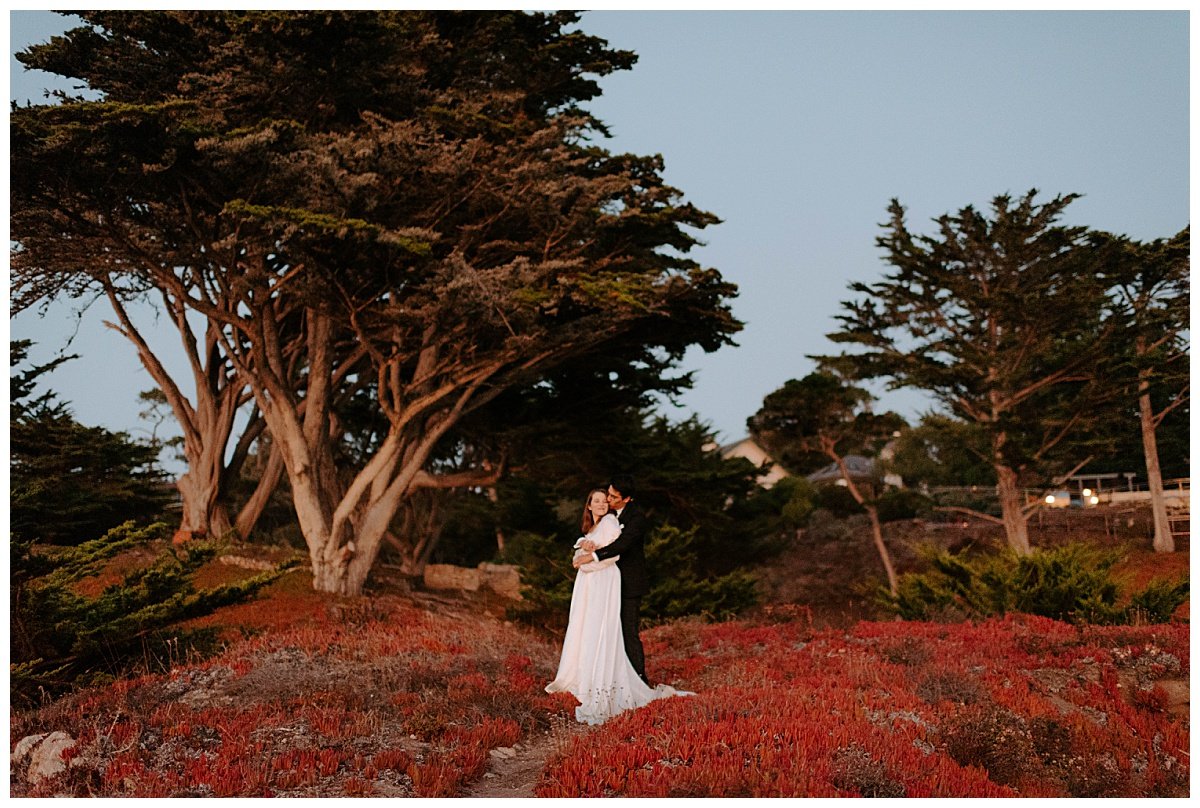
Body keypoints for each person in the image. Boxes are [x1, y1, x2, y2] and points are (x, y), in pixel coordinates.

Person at [545, 487, 684, 724]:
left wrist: (586, 561)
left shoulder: (610, 523)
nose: (601, 504)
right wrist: (582, 553)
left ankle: (601, 681)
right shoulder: (593, 527)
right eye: (596, 501)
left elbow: (612, 556)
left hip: (602, 583)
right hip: (589, 585)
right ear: (588, 506)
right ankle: (583, 675)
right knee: (585, 629)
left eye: (604, 501)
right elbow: (577, 555)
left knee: (600, 630)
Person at [578, 475, 649, 684]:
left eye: (613, 496)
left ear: (626, 499)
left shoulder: (636, 519)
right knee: (605, 630)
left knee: (628, 632)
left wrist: (592, 556)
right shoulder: (604, 515)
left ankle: (638, 679)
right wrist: (584, 543)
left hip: (629, 583)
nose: (608, 499)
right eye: (607, 494)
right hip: (605, 583)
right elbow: (590, 534)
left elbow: (622, 545)